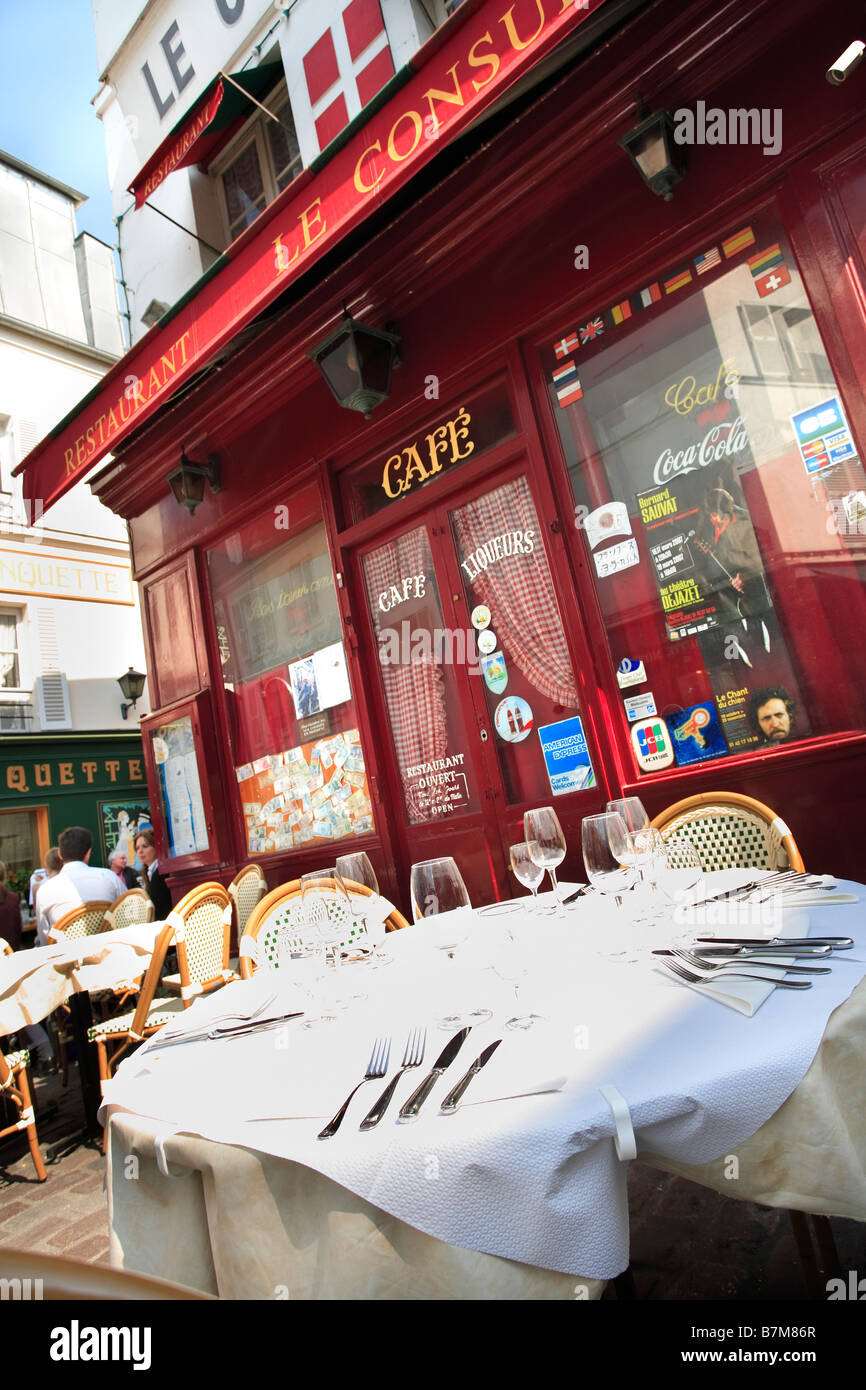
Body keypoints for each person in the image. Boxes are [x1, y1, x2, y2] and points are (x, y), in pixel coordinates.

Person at [34, 826, 122, 946]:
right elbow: (126, 913)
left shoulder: (44, 891)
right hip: (110, 953)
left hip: (67, 961)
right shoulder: (109, 877)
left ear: (60, 854)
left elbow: (45, 940)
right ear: (88, 853)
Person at [134, 828, 172, 920]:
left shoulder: (160, 873)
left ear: (156, 847)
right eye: (137, 848)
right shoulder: (150, 871)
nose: (140, 851)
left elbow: (158, 909)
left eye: (145, 846)